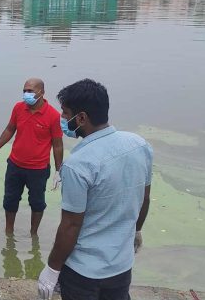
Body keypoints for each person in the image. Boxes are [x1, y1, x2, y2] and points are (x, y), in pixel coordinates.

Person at [37, 79, 153, 300]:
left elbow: (71, 225)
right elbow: (144, 198)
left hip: (83, 272)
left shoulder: (78, 165)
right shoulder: (139, 145)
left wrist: (52, 269)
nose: (62, 118)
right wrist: (136, 230)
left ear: (81, 118)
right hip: (121, 265)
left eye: (65, 113)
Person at [0, 78, 63, 235]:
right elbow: (9, 129)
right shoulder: (18, 108)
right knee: (10, 200)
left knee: (37, 203)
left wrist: (58, 171)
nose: (26, 94)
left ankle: (33, 233)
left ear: (41, 92)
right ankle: (9, 232)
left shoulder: (53, 116)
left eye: (30, 91)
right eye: (24, 91)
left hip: (38, 169)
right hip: (15, 164)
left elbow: (57, 145)